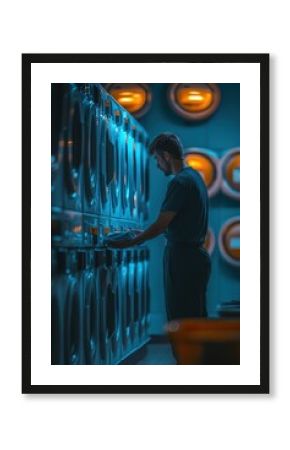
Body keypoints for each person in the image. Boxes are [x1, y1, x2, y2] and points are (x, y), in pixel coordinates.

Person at [108, 132, 211, 320]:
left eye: (157, 158)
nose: (157, 164)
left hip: (182, 259)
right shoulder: (195, 177)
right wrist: (143, 232)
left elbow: (161, 224)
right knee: (194, 315)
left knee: (180, 316)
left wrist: (133, 241)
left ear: (166, 156)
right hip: (196, 257)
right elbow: (176, 223)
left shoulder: (179, 182)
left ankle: (183, 351)